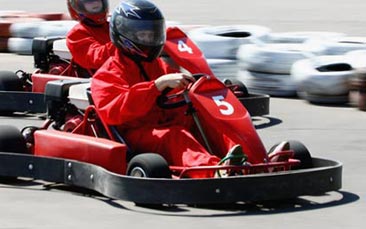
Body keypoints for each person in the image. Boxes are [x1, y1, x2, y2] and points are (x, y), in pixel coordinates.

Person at [91, 0, 245, 178]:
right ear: (124, 34)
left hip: (167, 121)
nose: (149, 40)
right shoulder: (107, 74)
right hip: (138, 133)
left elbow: (177, 94)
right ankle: (213, 171)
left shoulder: (157, 65)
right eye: (143, 36)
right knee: (175, 136)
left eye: (152, 35)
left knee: (209, 119)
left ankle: (249, 161)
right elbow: (114, 112)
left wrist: (196, 89)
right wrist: (156, 86)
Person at [66, 0, 116, 77]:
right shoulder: (77, 34)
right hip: (99, 80)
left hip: (122, 72)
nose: (95, 4)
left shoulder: (112, 27)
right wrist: (121, 42)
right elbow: (96, 59)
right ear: (78, 7)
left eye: (98, 0)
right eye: (89, 1)